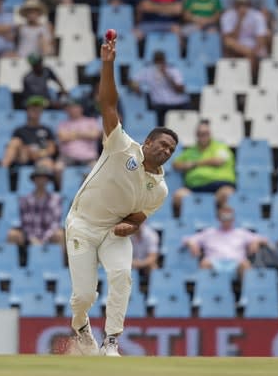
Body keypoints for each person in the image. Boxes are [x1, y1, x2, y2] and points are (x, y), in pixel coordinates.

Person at [65, 35, 178, 357]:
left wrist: (132, 226)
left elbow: (139, 216)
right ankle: (80, 324)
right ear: (146, 142)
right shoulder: (120, 145)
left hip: (113, 231)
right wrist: (107, 63)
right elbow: (108, 103)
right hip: (82, 224)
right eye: (162, 144)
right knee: (84, 296)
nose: (166, 150)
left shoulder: (160, 189)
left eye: (171, 149)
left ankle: (111, 340)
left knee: (122, 277)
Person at [183, 206, 269, 277]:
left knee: (245, 265)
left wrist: (256, 241)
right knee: (204, 264)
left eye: (229, 217)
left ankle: (248, 294)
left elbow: (264, 239)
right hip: (214, 262)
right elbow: (187, 239)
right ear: (219, 218)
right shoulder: (209, 232)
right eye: (224, 217)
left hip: (236, 262)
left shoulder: (242, 233)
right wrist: (192, 243)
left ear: (233, 218)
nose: (227, 220)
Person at [172, 120, 236, 214]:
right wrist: (189, 164)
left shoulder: (220, 146)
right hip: (195, 188)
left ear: (210, 134)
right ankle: (190, 221)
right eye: (200, 133)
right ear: (196, 135)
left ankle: (220, 224)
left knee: (227, 193)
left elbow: (218, 161)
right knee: (179, 196)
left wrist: (193, 164)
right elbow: (176, 164)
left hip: (219, 187)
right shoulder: (191, 150)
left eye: (205, 133)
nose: (203, 136)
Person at [129, 50, 190, 126]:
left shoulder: (173, 71)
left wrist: (167, 75)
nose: (159, 64)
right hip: (160, 106)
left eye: (161, 61)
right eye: (157, 61)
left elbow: (181, 89)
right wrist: (137, 88)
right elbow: (132, 81)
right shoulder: (149, 71)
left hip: (177, 104)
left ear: (165, 61)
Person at [7, 165, 64, 246]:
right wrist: (32, 239)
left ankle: (60, 258)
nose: (41, 180)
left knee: (60, 234)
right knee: (12, 234)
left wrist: (44, 239)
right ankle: (14, 258)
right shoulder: (25, 200)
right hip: (28, 238)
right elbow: (25, 223)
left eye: (44, 178)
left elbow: (55, 223)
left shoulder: (56, 199)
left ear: (48, 180)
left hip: (49, 237)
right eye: (38, 177)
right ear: (34, 180)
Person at [220, 0, 269, 81]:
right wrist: (239, 20)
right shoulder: (227, 16)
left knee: (250, 54)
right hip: (235, 48)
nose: (242, 7)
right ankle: (248, 79)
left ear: (249, 4)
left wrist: (253, 51)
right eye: (239, 4)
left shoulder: (257, 16)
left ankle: (250, 80)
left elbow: (261, 38)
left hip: (253, 47)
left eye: (244, 4)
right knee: (228, 42)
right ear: (235, 5)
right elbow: (228, 38)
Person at [0, 95, 57, 170]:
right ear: (27, 110)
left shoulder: (46, 129)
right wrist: (28, 150)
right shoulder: (19, 130)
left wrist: (38, 153)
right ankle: (2, 168)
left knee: (47, 163)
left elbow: (51, 149)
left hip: (41, 158)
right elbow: (15, 147)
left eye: (38, 109)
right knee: (15, 142)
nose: (35, 111)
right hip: (24, 157)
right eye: (33, 109)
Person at [55, 97, 102, 170]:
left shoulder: (91, 121)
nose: (71, 109)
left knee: (97, 169)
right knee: (57, 168)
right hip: (68, 157)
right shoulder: (62, 124)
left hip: (88, 157)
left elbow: (95, 135)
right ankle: (58, 182)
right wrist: (84, 134)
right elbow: (62, 137)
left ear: (81, 108)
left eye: (73, 107)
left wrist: (74, 134)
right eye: (69, 107)